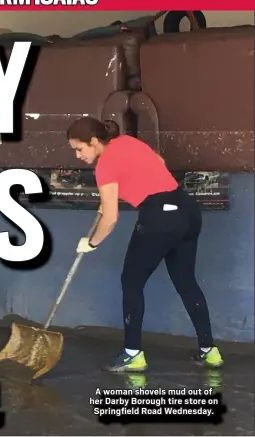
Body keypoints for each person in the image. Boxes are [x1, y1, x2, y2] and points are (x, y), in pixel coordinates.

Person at [66, 116, 223, 372]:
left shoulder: (104, 165)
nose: (77, 155)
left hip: (160, 218)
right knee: (186, 281)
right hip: (187, 209)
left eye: (79, 148)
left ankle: (132, 354)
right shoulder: (127, 141)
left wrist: (91, 243)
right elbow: (158, 164)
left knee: (131, 282)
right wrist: (121, 192)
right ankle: (209, 351)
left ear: (94, 141)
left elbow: (111, 218)